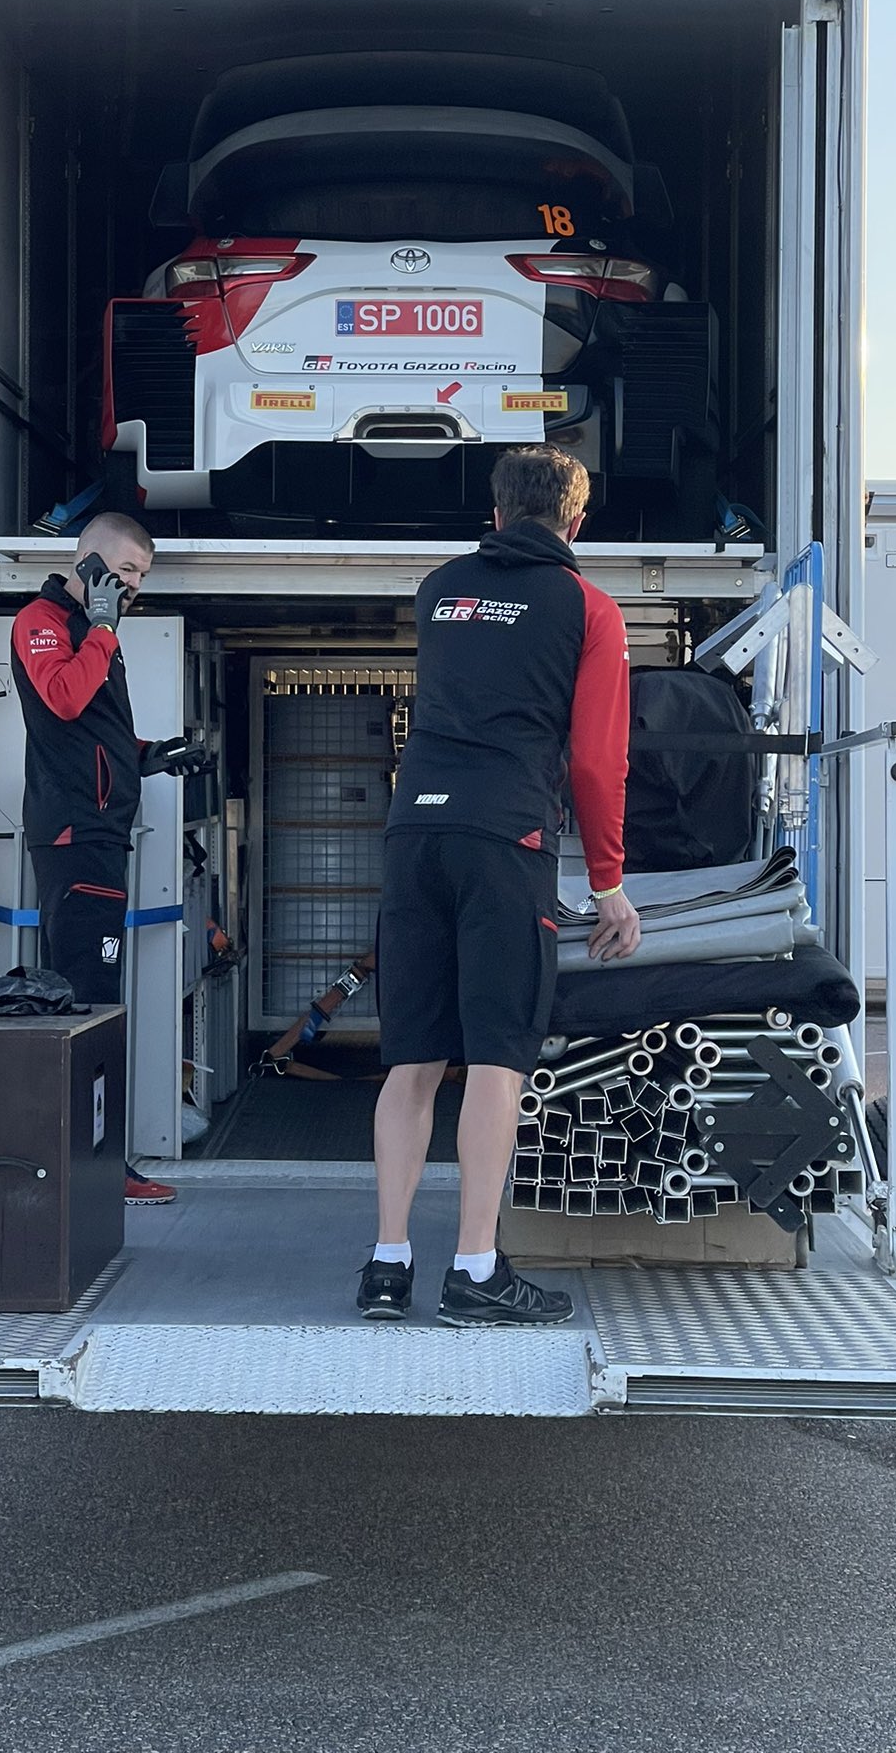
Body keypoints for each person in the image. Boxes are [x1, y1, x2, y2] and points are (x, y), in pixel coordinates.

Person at [360, 445, 642, 1323]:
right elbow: (599, 760)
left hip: (414, 830)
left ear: (495, 512)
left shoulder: (439, 589)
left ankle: (386, 1264)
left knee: (411, 1057)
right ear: (576, 522)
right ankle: (475, 1270)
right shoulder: (589, 606)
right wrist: (608, 884)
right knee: (495, 1057)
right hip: (504, 836)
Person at [11, 512, 207, 1206]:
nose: (131, 588)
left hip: (101, 833)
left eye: (139, 578)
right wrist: (99, 626)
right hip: (74, 836)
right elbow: (63, 699)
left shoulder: (97, 634)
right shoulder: (44, 620)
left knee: (98, 1002)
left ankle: (96, 1165)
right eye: (124, 572)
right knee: (85, 1004)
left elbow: (97, 736)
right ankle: (88, 1172)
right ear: (88, 561)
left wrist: (155, 755)